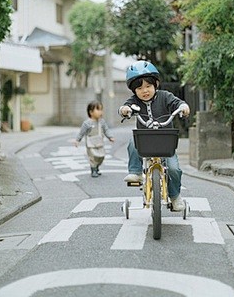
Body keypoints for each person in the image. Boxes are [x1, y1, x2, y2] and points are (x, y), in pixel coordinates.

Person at [119, 60, 190, 211]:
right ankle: (135, 172)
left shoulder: (165, 96)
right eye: (139, 88)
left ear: (156, 84)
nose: (145, 90)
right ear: (134, 91)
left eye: (148, 86)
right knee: (133, 141)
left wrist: (183, 106)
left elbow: (177, 103)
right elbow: (124, 107)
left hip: (166, 143)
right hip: (145, 142)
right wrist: (125, 110)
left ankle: (175, 196)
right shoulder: (134, 101)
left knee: (174, 169)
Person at [75, 101, 115, 178]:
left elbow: (106, 130)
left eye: (101, 109)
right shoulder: (87, 123)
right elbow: (81, 133)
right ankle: (93, 170)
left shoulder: (102, 122)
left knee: (101, 157)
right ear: (91, 112)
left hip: (99, 143)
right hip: (91, 144)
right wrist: (77, 140)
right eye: (98, 109)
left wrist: (110, 137)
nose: (100, 112)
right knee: (93, 157)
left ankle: (96, 167)